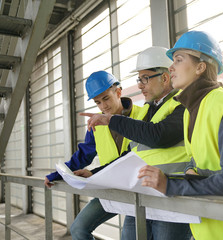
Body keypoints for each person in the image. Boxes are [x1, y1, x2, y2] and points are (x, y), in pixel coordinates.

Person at [137, 31, 223, 240]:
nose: (171, 67)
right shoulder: (193, 110)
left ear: (200, 67)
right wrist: (191, 169)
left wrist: (170, 185)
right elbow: (203, 161)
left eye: (178, 60)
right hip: (210, 227)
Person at [81, 46, 192, 240]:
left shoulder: (183, 103)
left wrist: (111, 120)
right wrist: (93, 173)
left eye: (144, 79)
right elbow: (132, 154)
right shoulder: (150, 110)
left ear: (165, 78)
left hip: (171, 198)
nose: (140, 85)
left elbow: (159, 135)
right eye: (139, 79)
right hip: (142, 196)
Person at [44, 70, 144, 240]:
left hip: (138, 189)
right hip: (111, 187)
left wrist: (94, 173)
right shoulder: (97, 124)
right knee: (78, 229)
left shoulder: (142, 116)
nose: (103, 106)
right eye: (98, 102)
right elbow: (83, 156)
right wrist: (57, 174)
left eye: (106, 98)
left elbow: (135, 153)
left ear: (118, 92)